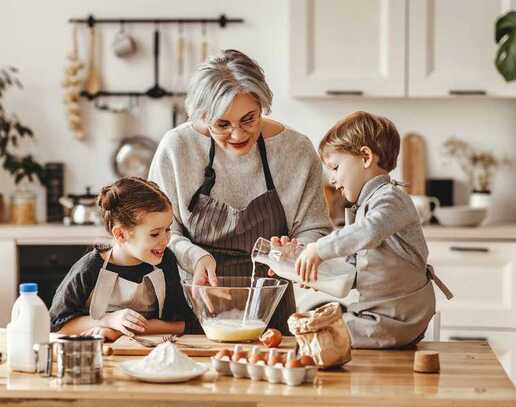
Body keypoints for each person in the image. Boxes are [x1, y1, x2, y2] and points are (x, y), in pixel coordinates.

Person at [148, 49, 331, 334]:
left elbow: (315, 228)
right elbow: (159, 232)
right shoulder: (177, 148)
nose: (237, 135)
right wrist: (196, 258)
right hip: (196, 304)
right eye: (222, 124)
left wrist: (296, 252)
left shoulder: (296, 151)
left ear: (262, 106)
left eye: (249, 119)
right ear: (202, 116)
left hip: (272, 310)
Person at [294, 111, 453, 348]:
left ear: (366, 157)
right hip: (380, 313)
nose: (334, 180)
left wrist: (319, 248)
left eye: (336, 167)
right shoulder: (365, 206)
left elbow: (368, 231)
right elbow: (353, 271)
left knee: (318, 335)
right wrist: (314, 271)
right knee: (315, 329)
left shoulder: (391, 198)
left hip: (398, 317)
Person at [49, 177, 192, 342]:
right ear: (120, 234)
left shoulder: (166, 261)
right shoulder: (89, 268)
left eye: (168, 229)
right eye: (155, 234)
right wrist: (108, 320)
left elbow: (180, 325)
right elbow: (57, 326)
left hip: (153, 355)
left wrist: (121, 331)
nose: (165, 240)